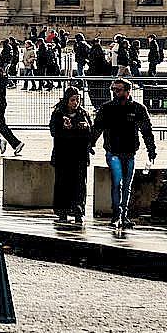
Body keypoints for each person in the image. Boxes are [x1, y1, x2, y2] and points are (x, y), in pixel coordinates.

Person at [92, 79, 156, 231]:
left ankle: (123, 215)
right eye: (114, 90)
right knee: (118, 182)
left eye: (119, 90)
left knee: (126, 185)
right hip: (113, 152)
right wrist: (90, 144)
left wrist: (151, 149)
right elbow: (97, 128)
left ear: (128, 91)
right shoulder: (107, 108)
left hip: (129, 152)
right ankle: (117, 215)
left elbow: (147, 130)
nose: (116, 93)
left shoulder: (138, 108)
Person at [49, 87, 95, 228]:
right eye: (73, 100)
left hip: (79, 156)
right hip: (63, 155)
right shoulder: (58, 114)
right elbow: (54, 131)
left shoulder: (83, 114)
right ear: (67, 100)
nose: (75, 103)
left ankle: (78, 210)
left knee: (79, 184)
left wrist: (85, 127)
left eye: (78, 100)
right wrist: (65, 127)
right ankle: (62, 211)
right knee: (62, 183)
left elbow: (91, 134)